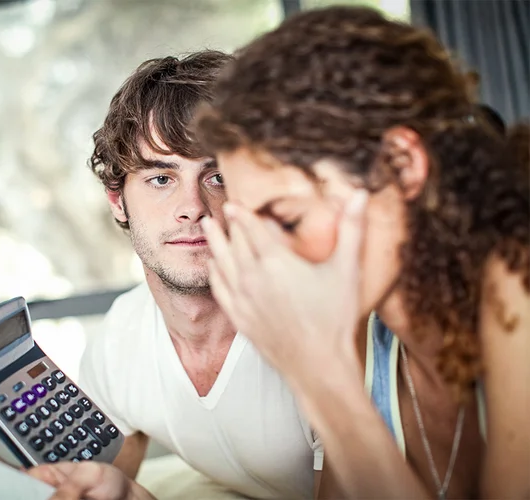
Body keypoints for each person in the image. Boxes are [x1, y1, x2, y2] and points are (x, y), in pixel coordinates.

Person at [0, 50, 322, 499]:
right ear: (117, 200)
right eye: (161, 179)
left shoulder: (324, 320)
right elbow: (82, 491)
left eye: (218, 176)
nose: (191, 209)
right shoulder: (120, 336)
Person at [195, 6, 529, 499]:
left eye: (289, 220)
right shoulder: (369, 338)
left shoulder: (517, 277)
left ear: (400, 163)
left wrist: (321, 377)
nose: (270, 264)